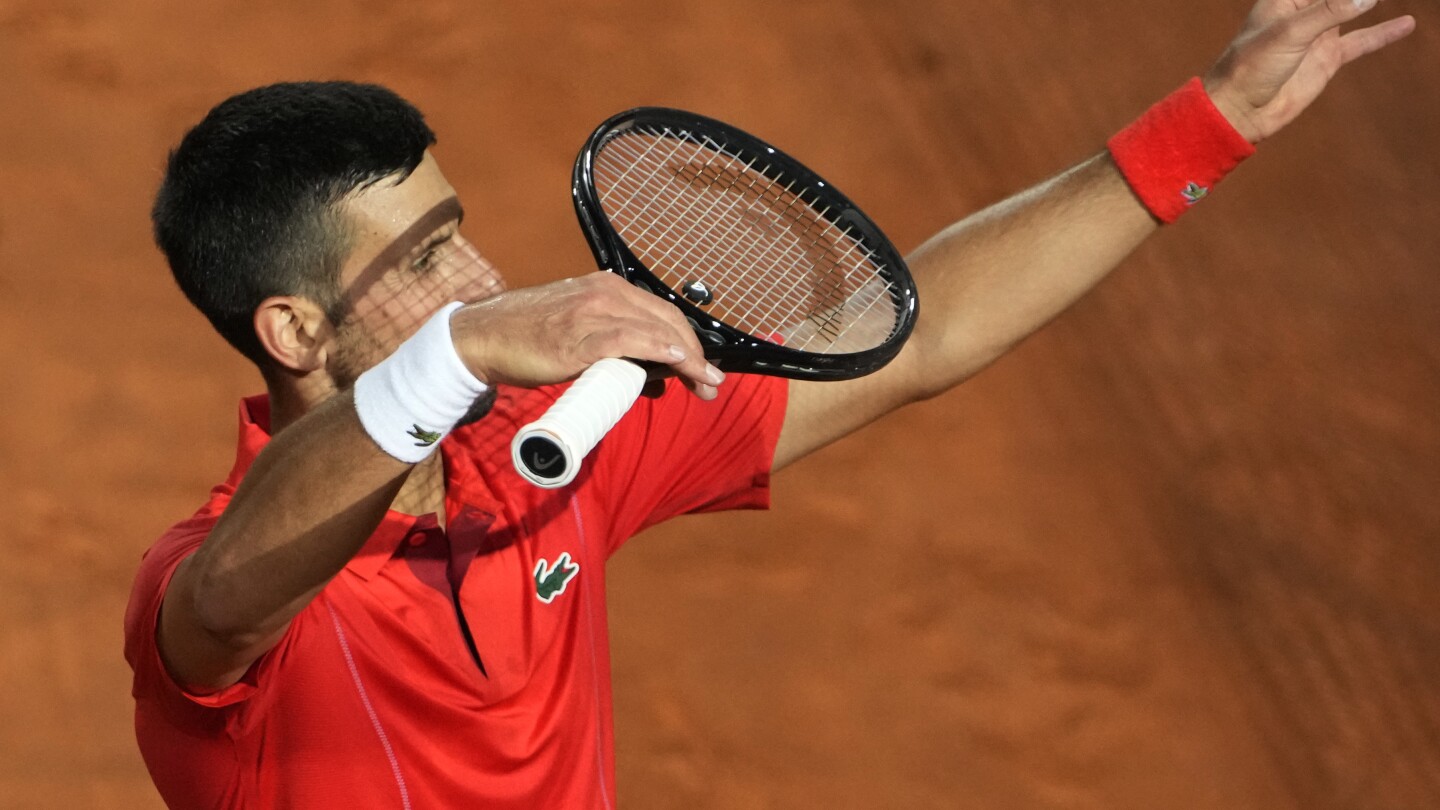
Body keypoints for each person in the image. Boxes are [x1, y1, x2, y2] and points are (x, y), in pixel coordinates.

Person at [123, 0, 1414, 807]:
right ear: (291, 330)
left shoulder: (541, 454)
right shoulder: (211, 594)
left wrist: (1210, 122)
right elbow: (239, 587)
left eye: (457, 236)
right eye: (420, 270)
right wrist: (463, 348)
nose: (478, 281)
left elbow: (919, 327)